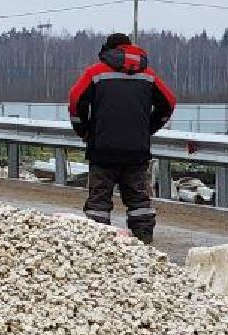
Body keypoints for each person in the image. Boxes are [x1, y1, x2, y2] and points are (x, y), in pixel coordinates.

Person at [68, 33, 177, 243]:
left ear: (107, 51)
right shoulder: (149, 75)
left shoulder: (95, 73)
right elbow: (169, 103)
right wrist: (148, 128)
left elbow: (75, 101)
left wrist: (84, 130)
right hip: (136, 150)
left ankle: (97, 246)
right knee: (139, 201)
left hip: (102, 149)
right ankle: (144, 244)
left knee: (99, 202)